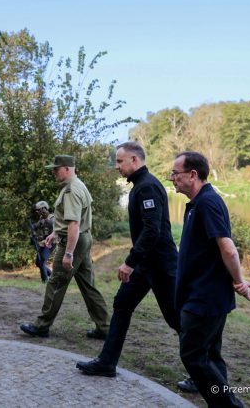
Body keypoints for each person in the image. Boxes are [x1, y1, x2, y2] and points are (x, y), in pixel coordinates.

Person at [76, 142, 183, 381]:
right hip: (145, 265)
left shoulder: (147, 187)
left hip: (161, 266)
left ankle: (206, 374)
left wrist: (130, 261)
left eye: (119, 161)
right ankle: (106, 362)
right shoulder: (139, 185)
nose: (116, 166)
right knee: (122, 304)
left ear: (134, 160)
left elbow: (152, 231)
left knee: (176, 319)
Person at [170, 151, 250, 408]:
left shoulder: (207, 203)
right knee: (211, 354)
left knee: (193, 355)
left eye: (175, 173)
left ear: (193, 174)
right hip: (204, 293)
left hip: (205, 297)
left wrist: (239, 280)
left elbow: (228, 248)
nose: (172, 178)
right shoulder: (199, 203)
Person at [20, 155, 109, 338]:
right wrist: (55, 233)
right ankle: (105, 328)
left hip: (73, 242)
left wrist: (68, 253)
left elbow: (74, 224)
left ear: (67, 168)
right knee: (88, 286)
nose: (53, 172)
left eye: (56, 168)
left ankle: (42, 326)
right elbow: (72, 221)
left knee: (55, 284)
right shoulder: (78, 185)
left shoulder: (71, 191)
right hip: (82, 239)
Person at [30, 200, 55, 282]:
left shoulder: (52, 220)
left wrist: (46, 242)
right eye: (37, 210)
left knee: (42, 261)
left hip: (50, 243)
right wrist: (33, 227)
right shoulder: (42, 219)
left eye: (39, 210)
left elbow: (56, 234)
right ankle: (52, 275)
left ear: (44, 208)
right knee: (38, 262)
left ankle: (45, 280)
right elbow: (36, 226)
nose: (37, 212)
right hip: (42, 243)